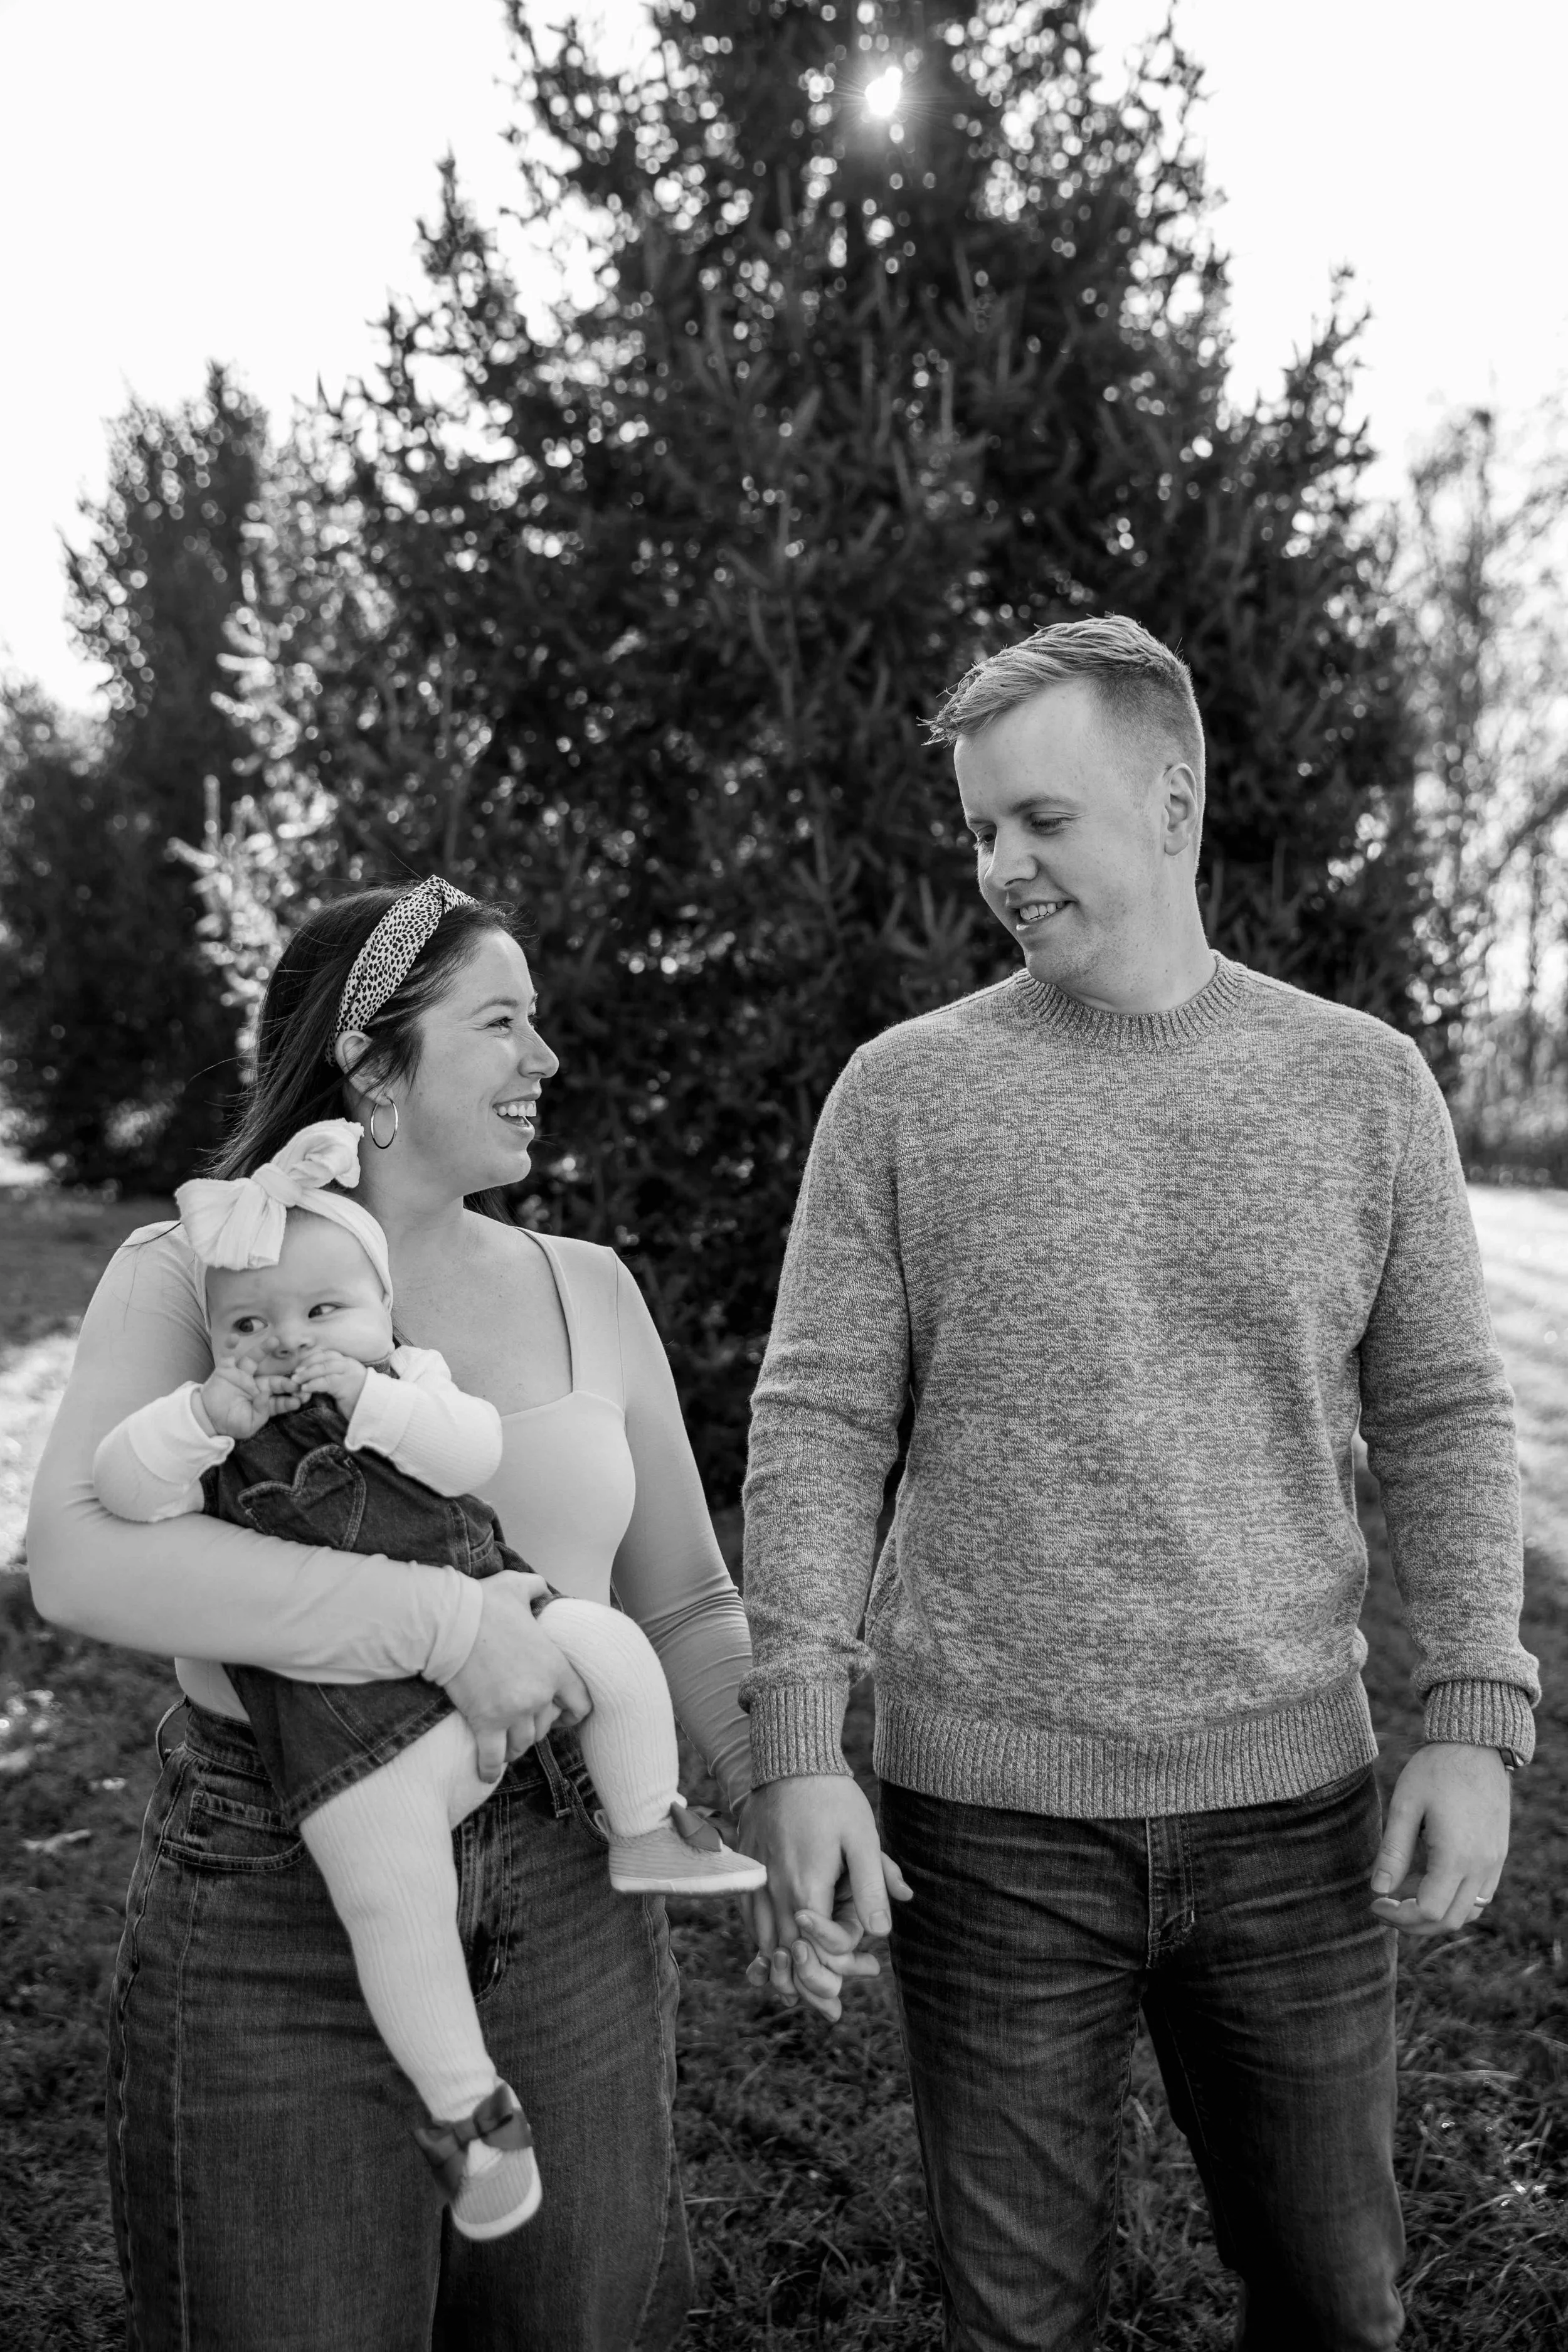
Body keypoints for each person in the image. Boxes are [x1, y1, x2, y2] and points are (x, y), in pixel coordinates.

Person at [739, 617, 1540, 2351]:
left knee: (1334, 2302)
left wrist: (1471, 1714)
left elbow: (1440, 1413)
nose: (1000, 868)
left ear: (1170, 803)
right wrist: (798, 1741)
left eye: (1041, 819)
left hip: (1290, 1805)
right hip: (983, 1820)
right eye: (979, 830)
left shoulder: (1358, 1082)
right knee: (1016, 2321)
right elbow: (817, 1420)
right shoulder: (904, 1093)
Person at [29, 876, 755, 2350]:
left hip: (573, 1884)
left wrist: (780, 1789)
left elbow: (684, 1596)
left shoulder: (588, 1286)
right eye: (501, 1022)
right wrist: (443, 1625)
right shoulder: (203, 1277)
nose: (545, 1057)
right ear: (371, 1067)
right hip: (283, 1887)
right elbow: (81, 1561)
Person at [91, 1115, 762, 2243]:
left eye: (325, 1312)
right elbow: (122, 1491)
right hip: (352, 1742)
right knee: (388, 1894)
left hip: (517, 1656)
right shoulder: (214, 1425)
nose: (288, 1340)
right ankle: (471, 2111)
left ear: (383, 1308)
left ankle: (649, 1820)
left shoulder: (412, 1380)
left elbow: (470, 1452)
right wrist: (204, 1417)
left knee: (607, 1642)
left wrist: (372, 1397)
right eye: (249, 1324)